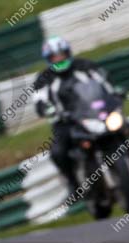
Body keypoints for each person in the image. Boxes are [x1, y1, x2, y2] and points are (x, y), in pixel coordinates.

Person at [33, 36, 121, 198]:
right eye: (55, 56)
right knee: (58, 151)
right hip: (65, 121)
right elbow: (39, 100)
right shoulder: (44, 78)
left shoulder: (85, 66)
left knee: (123, 126)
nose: (59, 59)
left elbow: (104, 82)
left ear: (68, 53)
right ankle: (73, 183)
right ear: (48, 59)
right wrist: (46, 109)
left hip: (93, 113)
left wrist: (115, 94)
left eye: (62, 54)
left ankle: (126, 161)